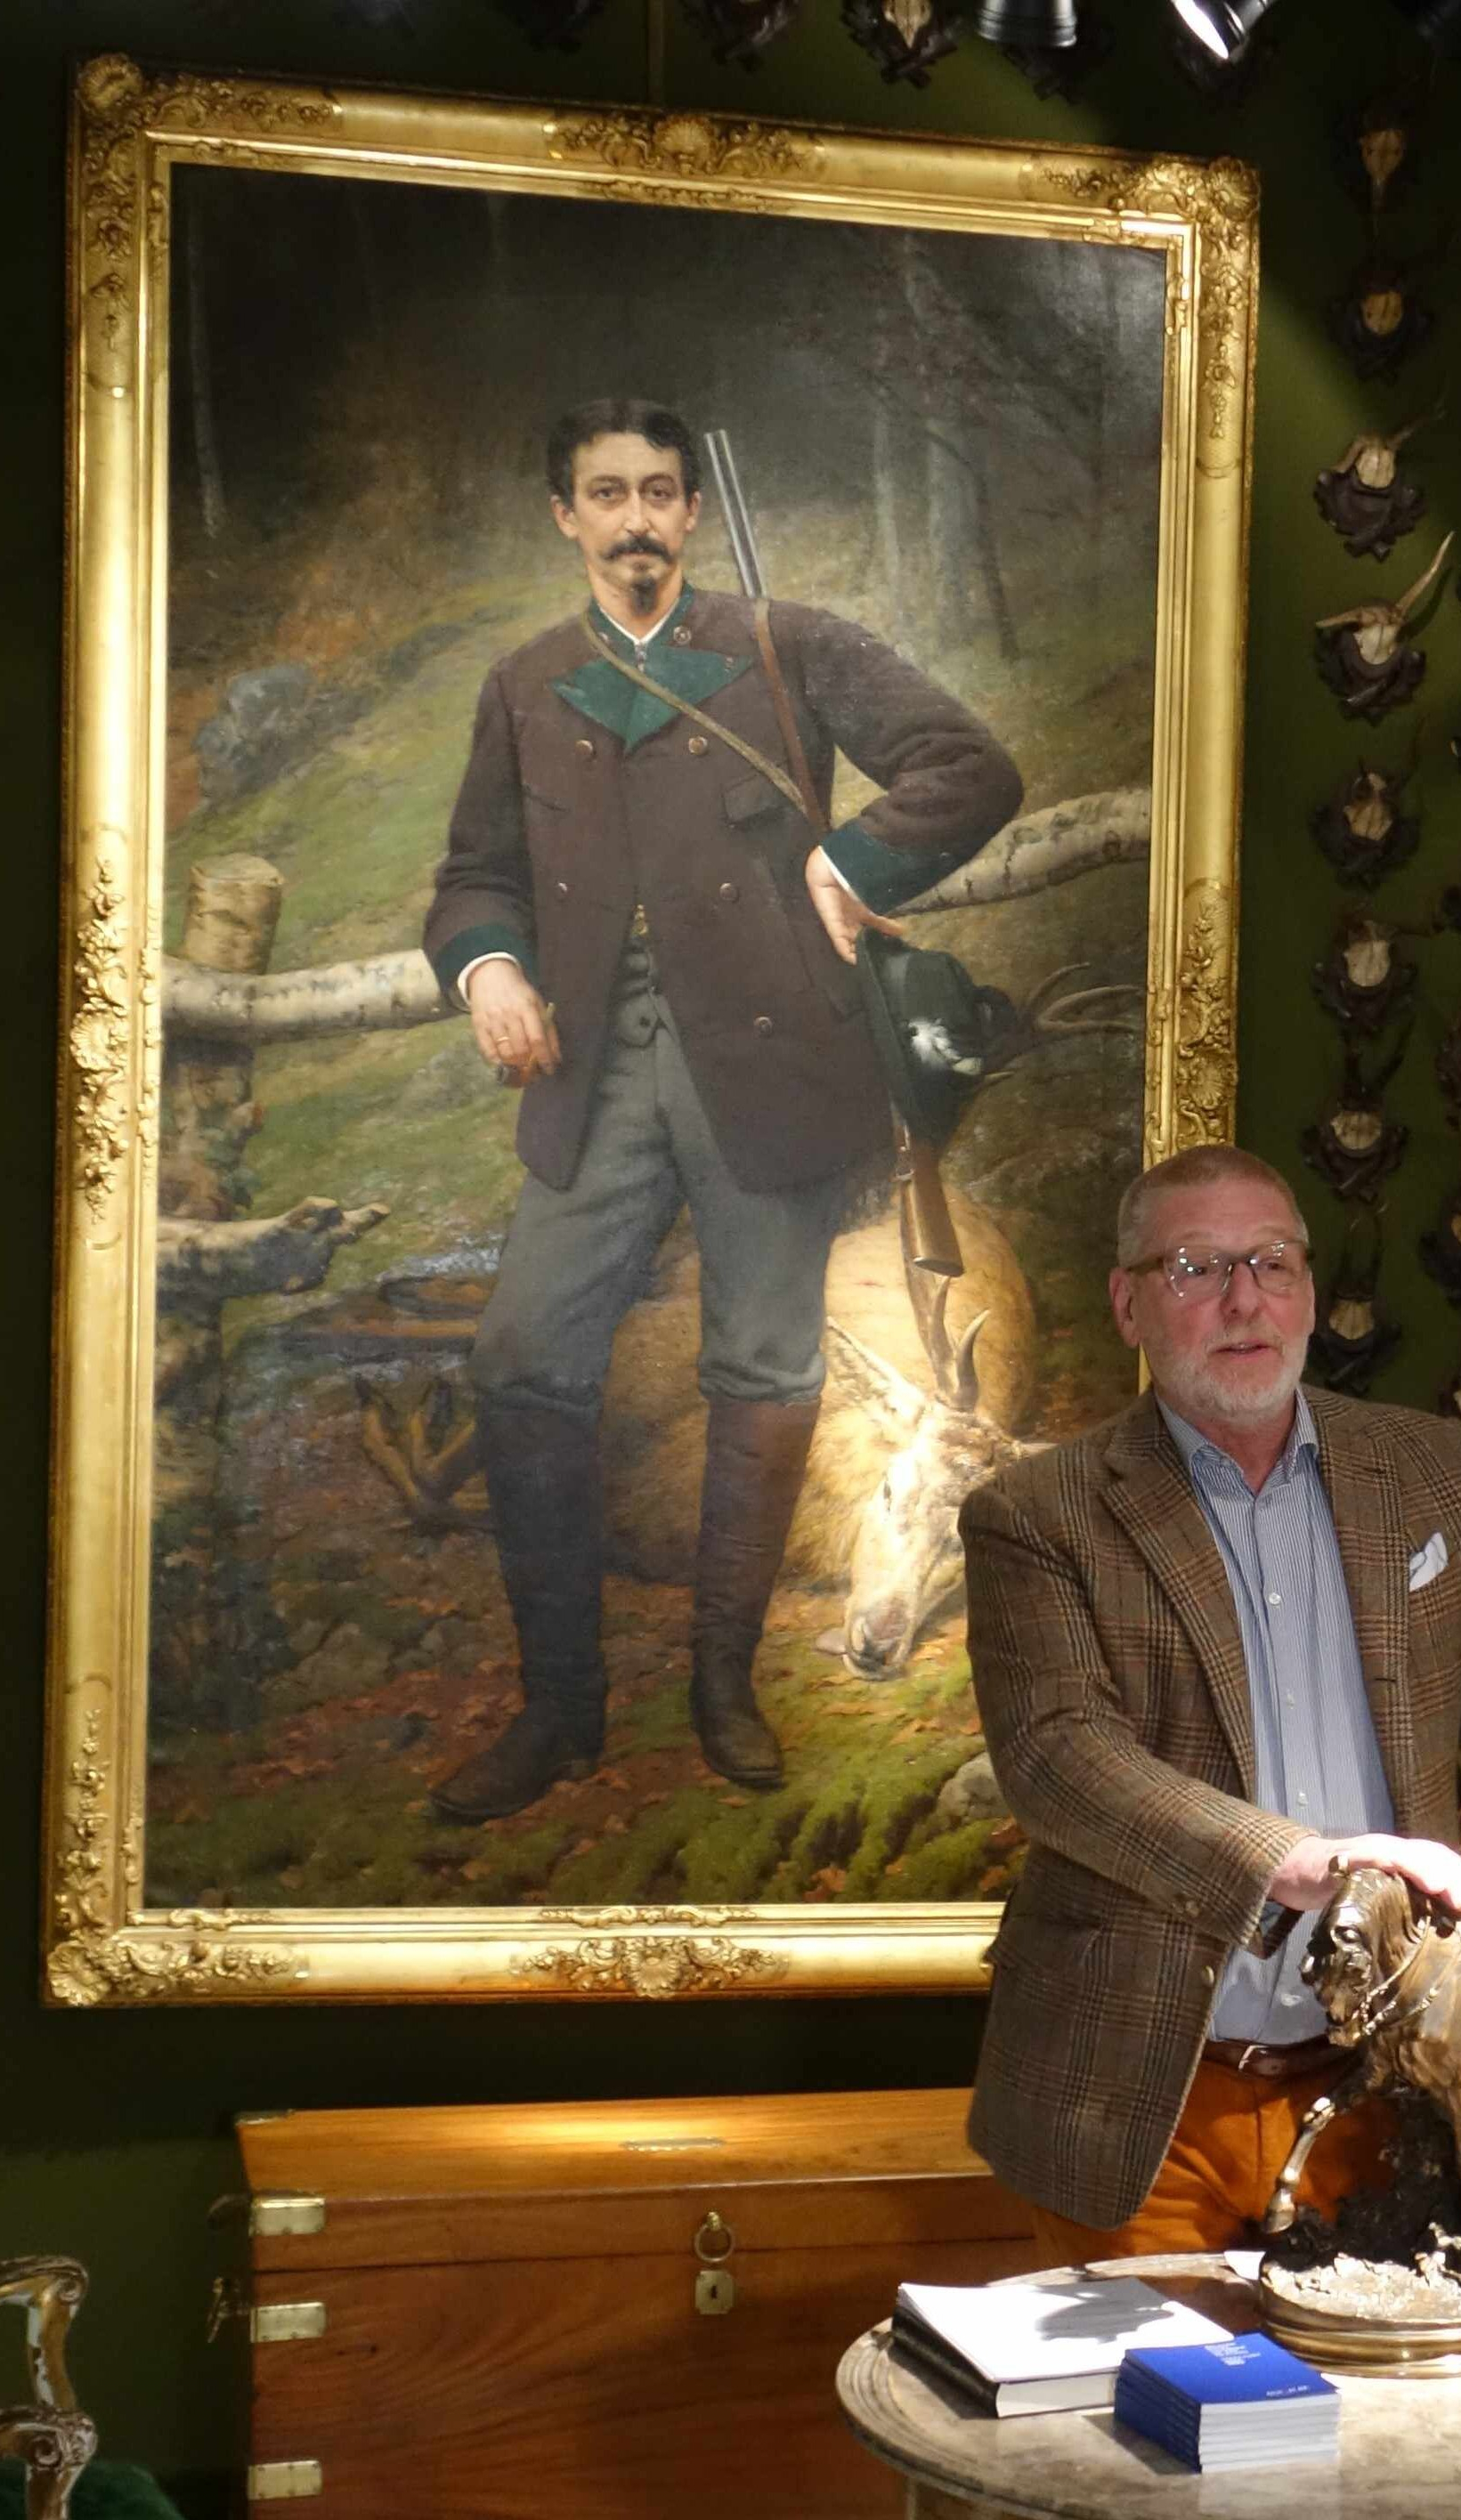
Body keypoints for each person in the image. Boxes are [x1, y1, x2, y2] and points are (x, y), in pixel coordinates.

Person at [959, 1144, 1461, 2261]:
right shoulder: (1039, 1512)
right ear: (1129, 1302)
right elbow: (1058, 1757)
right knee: (1166, 2381)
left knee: (1391, 2379)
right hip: (1140, 2095)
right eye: (1196, 1267)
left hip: (1392, 2082)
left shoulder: (1429, 1468)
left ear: (1310, 1291)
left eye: (1272, 1262)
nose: (1244, 1299)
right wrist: (1297, 1859)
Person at [424, 397, 1021, 1823]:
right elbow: (474, 875)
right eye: (605, 493)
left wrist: (852, 863)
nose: (634, 518)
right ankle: (560, 1709)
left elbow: (971, 767)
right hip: (592, 1072)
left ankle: (721, 1686)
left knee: (761, 1362)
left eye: (658, 492)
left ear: (690, 511)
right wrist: (490, 968)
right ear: (564, 516)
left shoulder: (787, 643)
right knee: (522, 1359)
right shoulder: (524, 682)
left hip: (767, 1065)